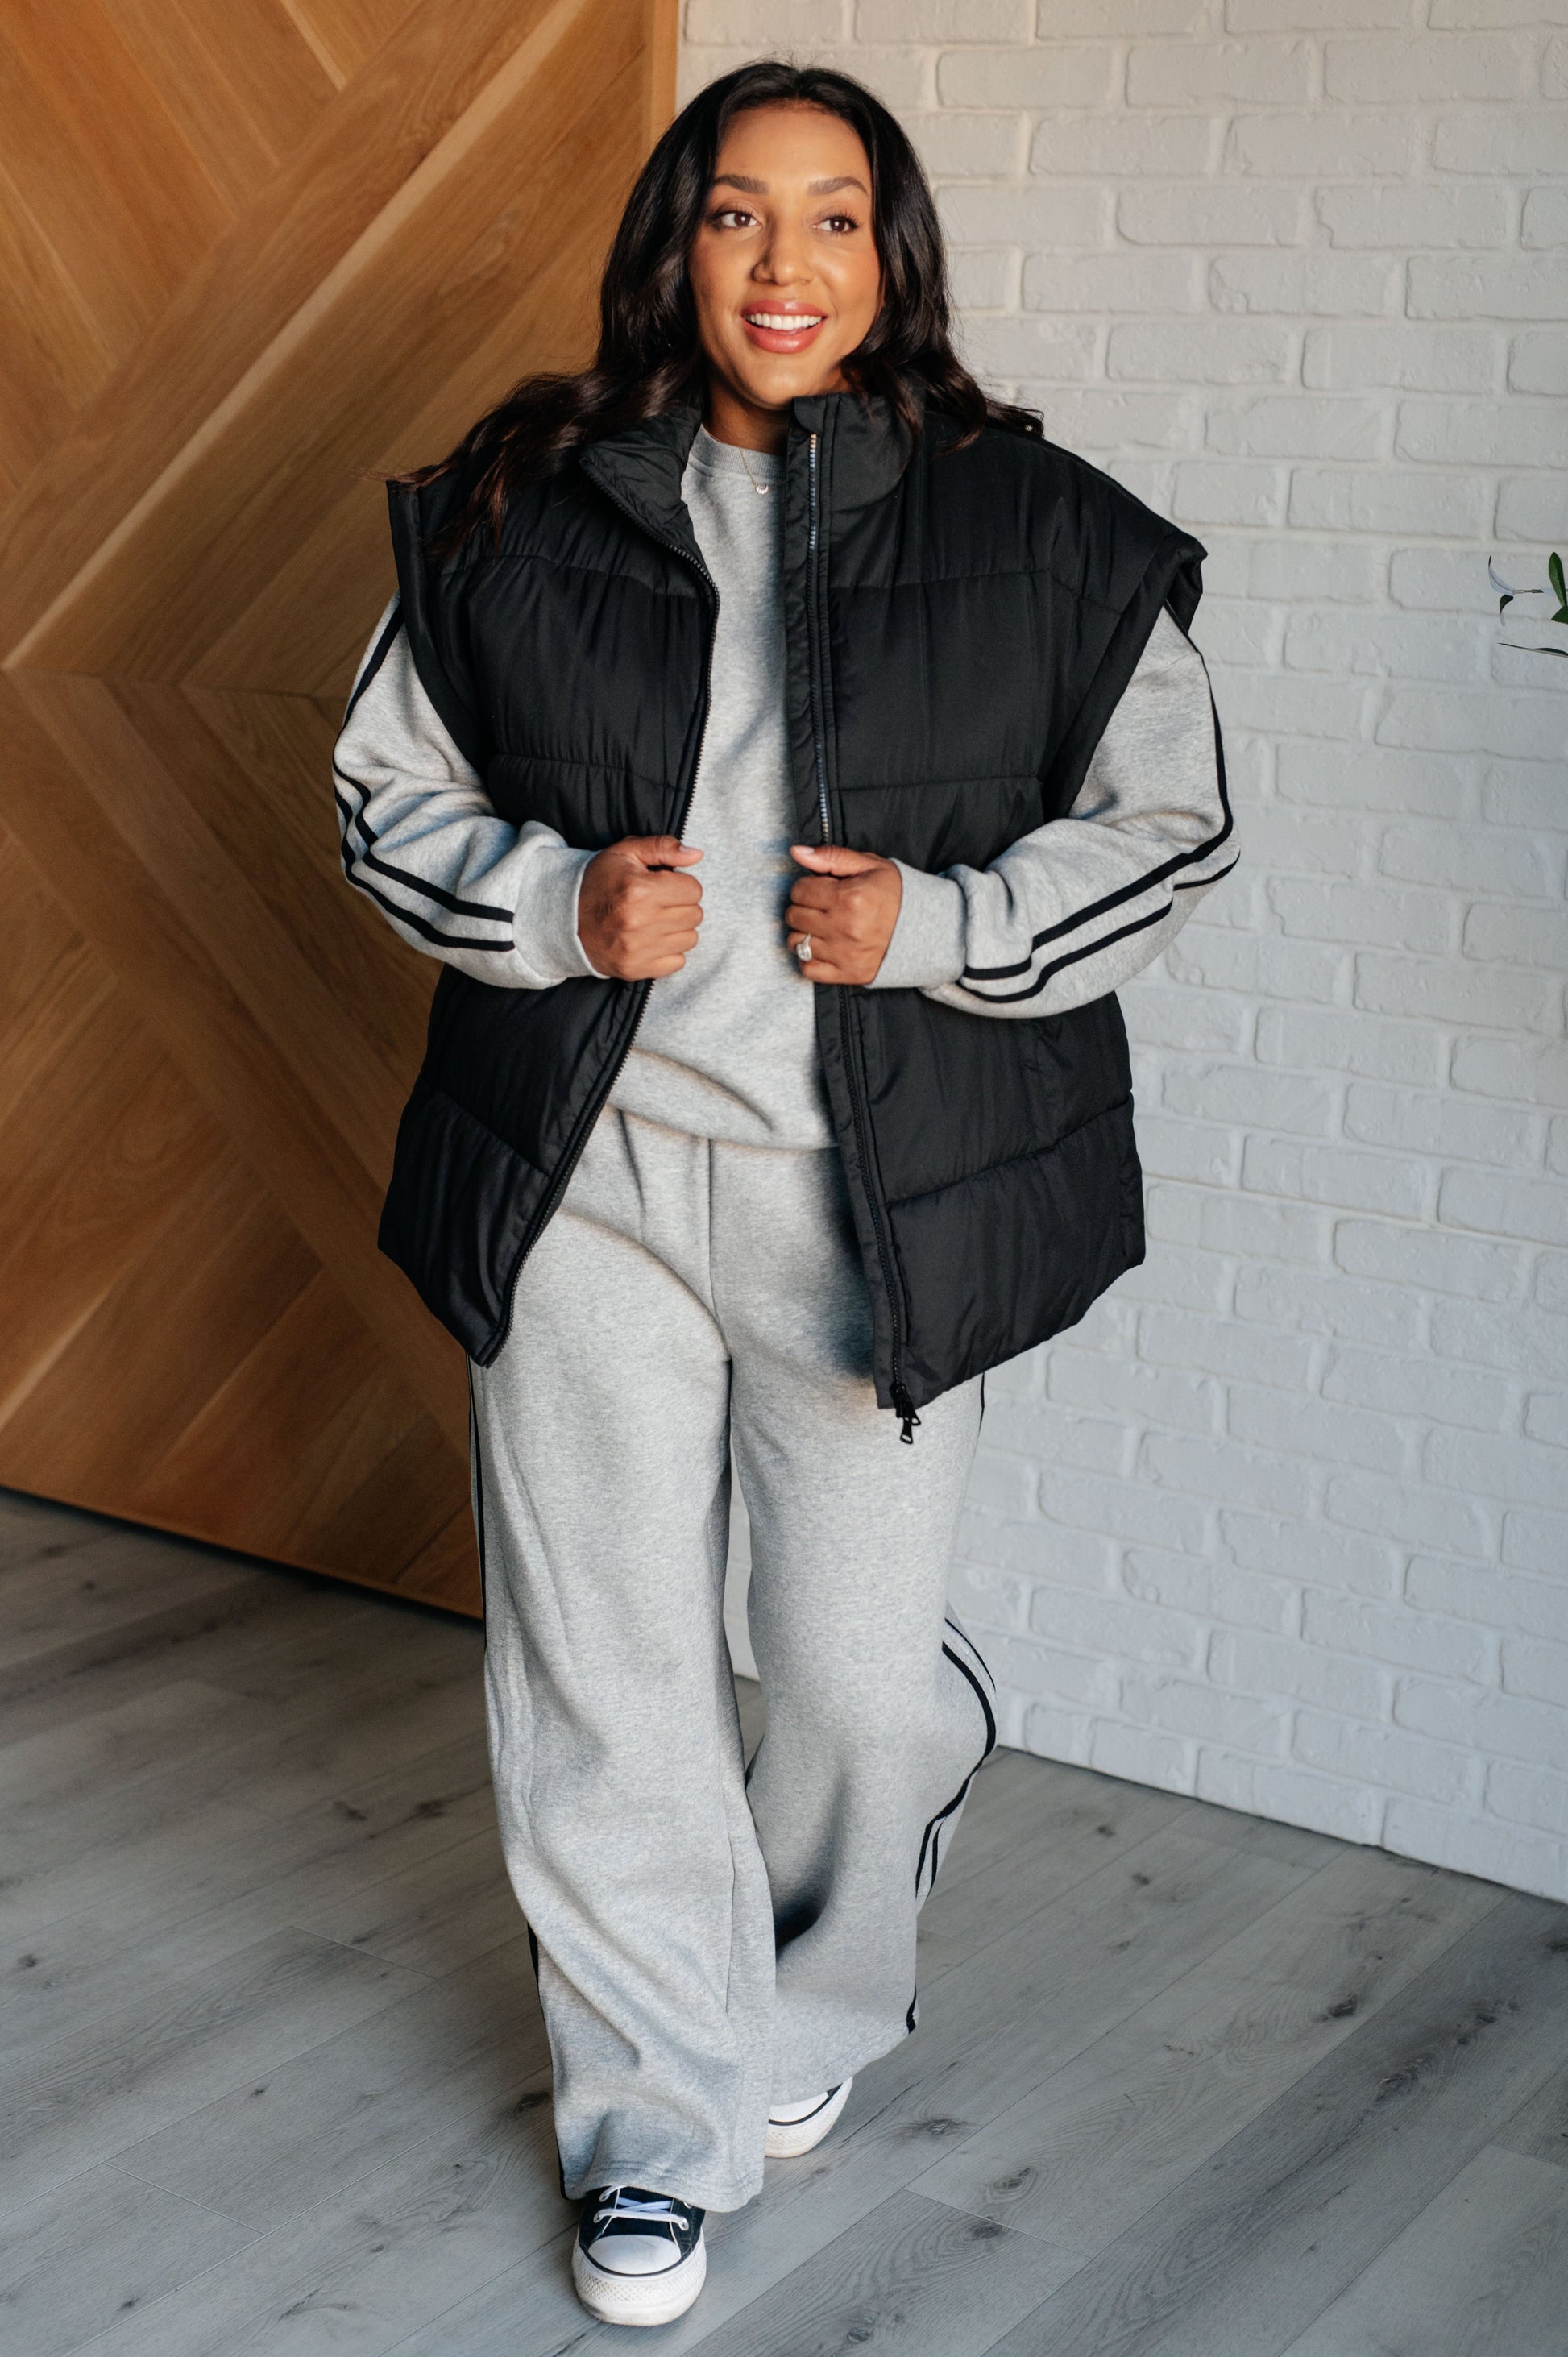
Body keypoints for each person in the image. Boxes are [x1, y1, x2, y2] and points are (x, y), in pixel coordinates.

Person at [333, 60, 1234, 2330]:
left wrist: (939, 927)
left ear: (890, 258)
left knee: (845, 1677)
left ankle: (818, 1987)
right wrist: (551, 906)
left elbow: (1173, 824)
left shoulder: (1039, 525)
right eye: (738, 213)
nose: (784, 263)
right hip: (588, 1184)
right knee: (606, 1675)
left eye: (834, 217)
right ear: (678, 244)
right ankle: (653, 2126)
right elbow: (382, 791)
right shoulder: (516, 502)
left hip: (875, 1202)